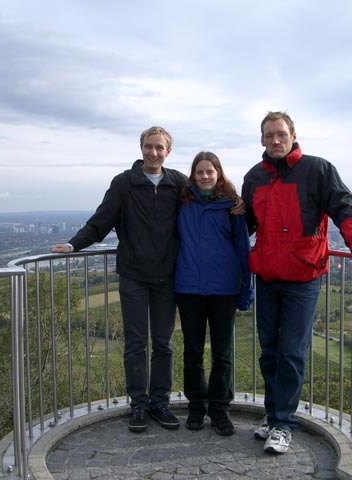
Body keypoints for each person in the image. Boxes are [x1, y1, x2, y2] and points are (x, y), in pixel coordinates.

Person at [241, 111, 352, 454]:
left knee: (292, 352)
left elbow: (344, 206)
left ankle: (284, 423)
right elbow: (247, 225)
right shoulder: (254, 177)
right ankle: (272, 417)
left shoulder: (317, 170)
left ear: (293, 134)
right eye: (269, 135)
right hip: (268, 276)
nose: (275, 141)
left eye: (280, 134)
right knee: (269, 351)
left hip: (303, 276)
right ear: (262, 139)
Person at [52, 126, 186, 433]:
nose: (154, 152)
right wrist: (74, 244)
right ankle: (139, 404)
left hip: (168, 276)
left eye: (160, 148)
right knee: (136, 343)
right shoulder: (124, 183)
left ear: (168, 151)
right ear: (141, 148)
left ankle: (160, 403)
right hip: (135, 276)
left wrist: (236, 207)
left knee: (164, 343)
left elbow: (203, 208)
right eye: (149, 146)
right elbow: (101, 221)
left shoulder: (177, 182)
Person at [174, 152, 253, 436]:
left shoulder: (232, 206)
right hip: (189, 287)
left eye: (210, 171)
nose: (205, 176)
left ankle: (220, 410)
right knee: (192, 352)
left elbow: (243, 249)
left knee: (223, 353)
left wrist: (246, 289)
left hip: (224, 287)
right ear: (192, 175)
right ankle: (196, 407)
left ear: (219, 173)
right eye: (200, 172)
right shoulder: (181, 202)